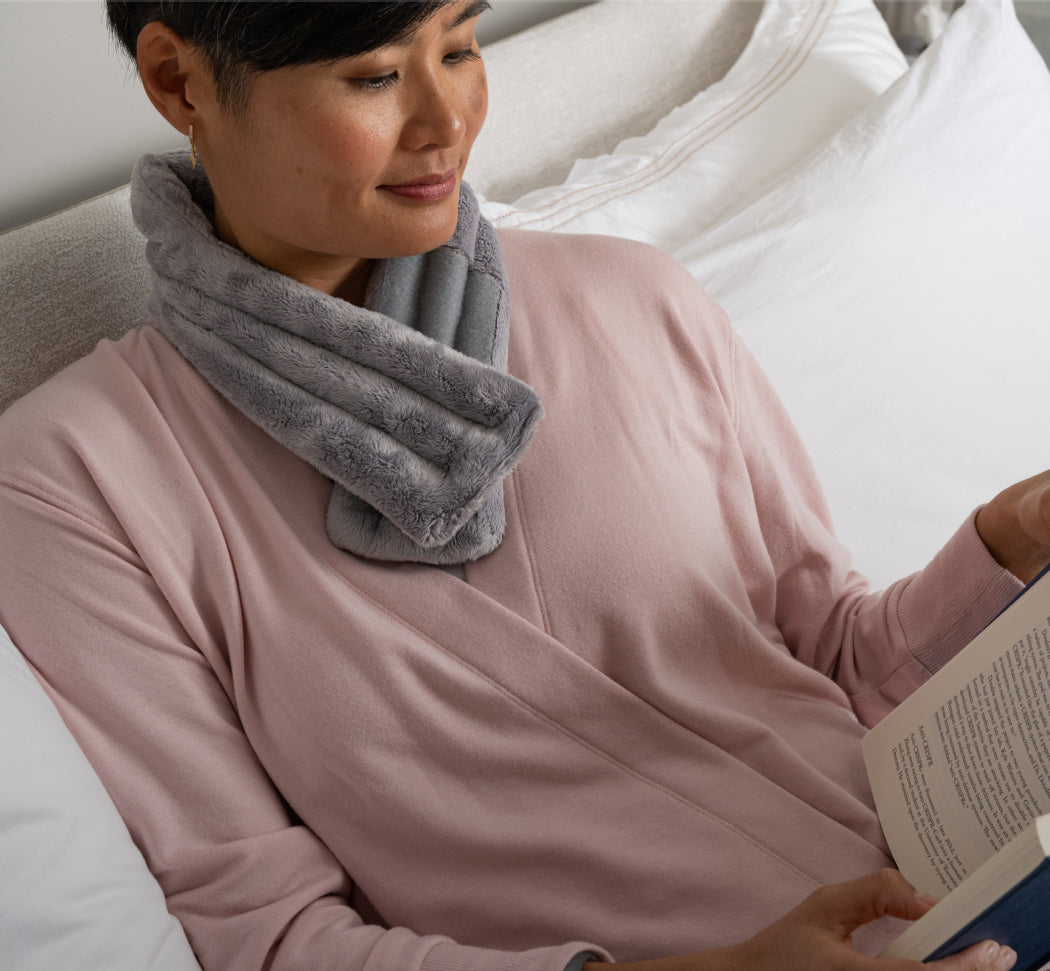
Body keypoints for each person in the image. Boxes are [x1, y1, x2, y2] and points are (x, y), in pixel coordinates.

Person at [1, 2, 1048, 969]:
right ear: (179, 81)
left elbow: (837, 654)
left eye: (458, 45)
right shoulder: (77, 483)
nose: (447, 118)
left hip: (971, 909)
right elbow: (270, 936)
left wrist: (1000, 550)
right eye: (372, 77)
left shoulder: (636, 300)